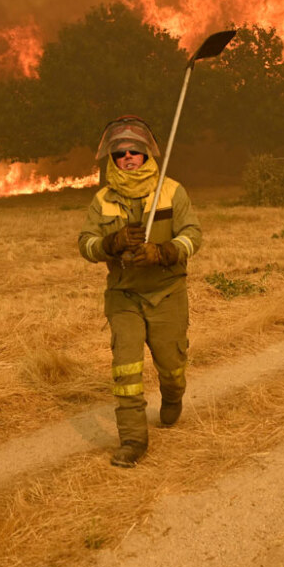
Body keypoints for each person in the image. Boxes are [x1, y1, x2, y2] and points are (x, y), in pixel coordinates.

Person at [77, 116, 202, 467]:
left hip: (167, 292)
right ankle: (133, 439)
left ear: (146, 154)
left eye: (134, 151)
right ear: (112, 160)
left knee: (172, 365)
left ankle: (173, 395)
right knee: (126, 371)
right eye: (119, 154)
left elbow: (194, 235)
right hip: (124, 296)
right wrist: (110, 242)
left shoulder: (172, 190)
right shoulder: (102, 200)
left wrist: (164, 252)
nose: (127, 157)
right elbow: (84, 245)